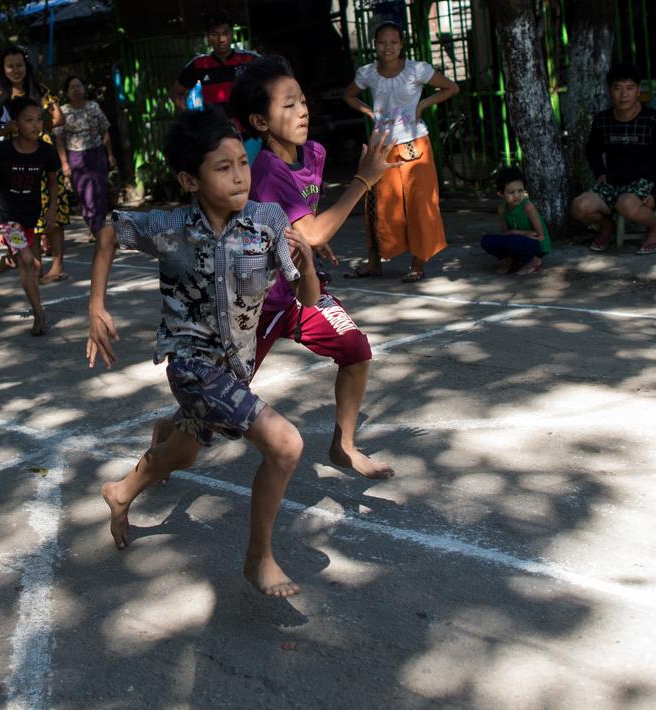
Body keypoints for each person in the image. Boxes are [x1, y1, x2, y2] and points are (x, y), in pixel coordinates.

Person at [87, 108, 320, 597]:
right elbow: (110, 231)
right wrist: (95, 306)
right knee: (285, 444)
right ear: (189, 179)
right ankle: (259, 560)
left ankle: (122, 490)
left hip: (235, 367)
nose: (239, 175)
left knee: (186, 452)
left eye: (242, 162)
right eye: (223, 167)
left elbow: (308, 300)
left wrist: (309, 263)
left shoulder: (268, 222)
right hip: (190, 365)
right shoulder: (170, 226)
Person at [232, 55, 397, 479]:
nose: (303, 110)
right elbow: (316, 230)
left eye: (302, 100)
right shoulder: (267, 173)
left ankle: (343, 446)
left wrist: (306, 238)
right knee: (217, 407)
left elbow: (304, 224)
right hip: (258, 301)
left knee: (356, 350)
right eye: (288, 104)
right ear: (260, 121)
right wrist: (363, 180)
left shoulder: (315, 153)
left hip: (298, 287)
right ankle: (157, 450)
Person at [342, 20, 458, 282]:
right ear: (374, 45)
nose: (388, 47)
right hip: (381, 146)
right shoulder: (367, 73)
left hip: (415, 143)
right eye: (382, 42)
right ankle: (374, 262)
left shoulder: (417, 70)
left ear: (402, 44)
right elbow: (349, 96)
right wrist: (369, 112)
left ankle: (418, 264)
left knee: (419, 205)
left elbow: (451, 87)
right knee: (378, 205)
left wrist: (424, 104)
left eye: (394, 42)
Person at [0, 96, 59, 337]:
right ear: (15, 124)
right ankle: (39, 315)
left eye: (39, 119)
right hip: (6, 215)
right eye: (28, 120)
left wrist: (51, 211)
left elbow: (52, 180)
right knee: (28, 261)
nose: (36, 125)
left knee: (21, 260)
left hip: (30, 213)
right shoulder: (2, 150)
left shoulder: (46, 152)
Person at [0, 46, 71, 283]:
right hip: (15, 157)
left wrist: (41, 127)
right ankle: (35, 267)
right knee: (29, 213)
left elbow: (59, 118)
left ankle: (58, 267)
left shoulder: (39, 89)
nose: (15, 70)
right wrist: (8, 129)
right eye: (10, 66)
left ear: (26, 65)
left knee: (55, 210)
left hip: (43, 153)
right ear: (3, 69)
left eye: (19, 65)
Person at [571, 62, 656, 255]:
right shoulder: (602, 120)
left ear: (638, 90)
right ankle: (606, 227)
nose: (624, 94)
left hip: (643, 185)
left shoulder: (653, 120)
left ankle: (655, 228)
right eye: (617, 88)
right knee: (579, 207)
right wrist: (600, 172)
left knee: (625, 204)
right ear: (609, 91)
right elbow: (592, 150)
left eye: (630, 88)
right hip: (613, 184)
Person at [58, 76, 116, 243]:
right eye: (72, 87)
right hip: (75, 155)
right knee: (84, 195)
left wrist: (110, 154)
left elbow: (105, 130)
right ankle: (94, 226)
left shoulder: (93, 107)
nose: (76, 90)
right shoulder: (63, 111)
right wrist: (64, 162)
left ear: (84, 88)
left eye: (79, 86)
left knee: (99, 191)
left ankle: (99, 229)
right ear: (67, 92)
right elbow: (59, 139)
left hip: (96, 153)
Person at [169, 10, 259, 113]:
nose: (221, 39)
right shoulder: (198, 64)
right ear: (207, 36)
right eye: (214, 34)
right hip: (216, 128)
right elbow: (175, 93)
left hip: (246, 128)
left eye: (225, 33)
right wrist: (192, 118)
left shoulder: (250, 59)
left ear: (232, 33)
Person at [480, 166, 550, 275]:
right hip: (515, 241)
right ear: (501, 193)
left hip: (536, 245)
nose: (517, 195)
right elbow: (506, 233)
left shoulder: (528, 207)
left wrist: (517, 234)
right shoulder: (502, 209)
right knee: (486, 240)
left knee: (511, 241)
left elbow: (540, 235)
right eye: (511, 192)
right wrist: (521, 233)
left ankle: (534, 260)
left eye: (520, 191)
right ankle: (511, 259)